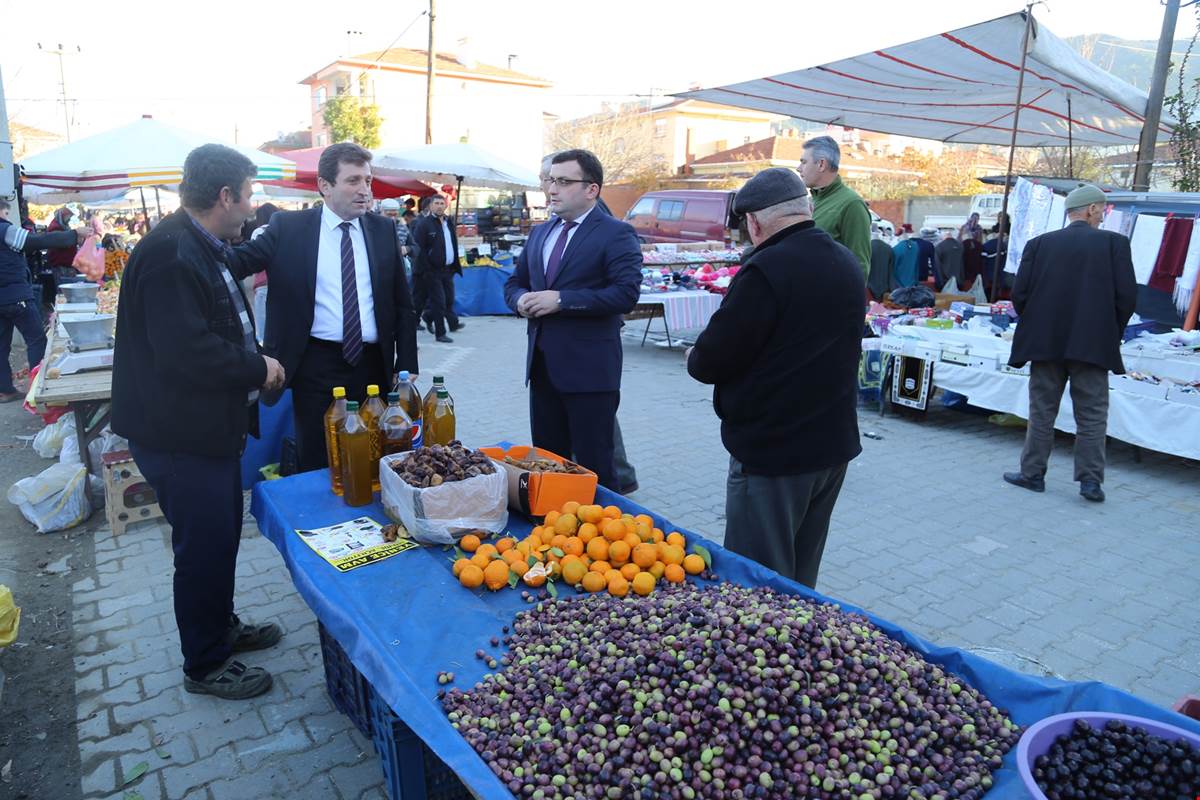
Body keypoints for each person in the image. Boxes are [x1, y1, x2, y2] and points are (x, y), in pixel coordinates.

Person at [111, 144, 287, 699]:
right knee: (203, 548)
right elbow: (186, 352)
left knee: (219, 540)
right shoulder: (169, 254)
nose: (253, 208)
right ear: (225, 196)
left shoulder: (200, 241)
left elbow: (238, 262)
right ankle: (205, 664)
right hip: (179, 436)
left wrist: (296, 231)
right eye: (250, 196)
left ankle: (221, 626)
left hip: (202, 430)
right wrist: (258, 367)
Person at [686, 168, 863, 589]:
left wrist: (697, 355)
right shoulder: (845, 261)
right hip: (830, 447)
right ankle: (801, 645)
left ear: (754, 221)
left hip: (774, 453)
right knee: (801, 576)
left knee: (757, 581)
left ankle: (760, 653)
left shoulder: (767, 269)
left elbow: (711, 359)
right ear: (807, 210)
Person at [225, 142, 419, 472]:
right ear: (325, 186)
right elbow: (237, 263)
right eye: (353, 181)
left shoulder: (382, 230)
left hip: (374, 364)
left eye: (368, 181)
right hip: (315, 364)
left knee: (375, 454)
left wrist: (409, 361)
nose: (364, 191)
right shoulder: (289, 228)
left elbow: (403, 303)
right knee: (318, 455)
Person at [503, 148, 642, 490]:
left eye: (564, 182)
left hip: (590, 373)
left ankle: (603, 532)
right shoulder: (541, 233)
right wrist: (520, 300)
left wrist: (562, 300)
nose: (552, 189)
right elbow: (513, 282)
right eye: (551, 180)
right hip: (543, 369)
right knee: (549, 462)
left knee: (596, 468)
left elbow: (626, 294)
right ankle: (555, 529)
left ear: (591, 189)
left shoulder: (616, 233)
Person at [1003, 184, 1137, 504]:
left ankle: (1032, 474)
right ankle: (1090, 482)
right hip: (1092, 345)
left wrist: (1040, 324)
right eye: (1102, 210)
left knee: (1042, 411)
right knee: (1091, 415)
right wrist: (1109, 330)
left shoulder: (1040, 244)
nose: (1103, 217)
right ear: (1090, 209)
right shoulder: (1114, 244)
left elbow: (1020, 295)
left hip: (1045, 343)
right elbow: (1127, 298)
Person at [0, 198, 82, 402]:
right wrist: (73, 235)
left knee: (1, 345)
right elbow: (35, 241)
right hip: (15, 295)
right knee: (37, 339)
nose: (7, 217)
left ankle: (5, 390)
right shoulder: (4, 229)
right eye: (5, 212)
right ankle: (39, 391)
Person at [798, 135, 871, 282]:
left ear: (821, 164)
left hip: (831, 300)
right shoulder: (810, 201)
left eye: (804, 162)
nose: (798, 168)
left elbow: (860, 266)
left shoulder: (852, 204)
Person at [410, 194, 462, 342]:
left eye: (442, 203)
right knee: (438, 302)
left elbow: (452, 243)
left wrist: (454, 265)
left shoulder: (448, 222)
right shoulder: (424, 224)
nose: (440, 206)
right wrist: (427, 269)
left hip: (448, 270)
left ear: (445, 205)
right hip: (431, 271)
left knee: (448, 300)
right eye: (437, 203)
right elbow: (419, 248)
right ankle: (440, 333)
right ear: (431, 206)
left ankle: (427, 316)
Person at [867, 223, 894, 300]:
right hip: (885, 288)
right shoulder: (888, 248)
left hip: (869, 289)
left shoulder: (867, 247)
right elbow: (891, 272)